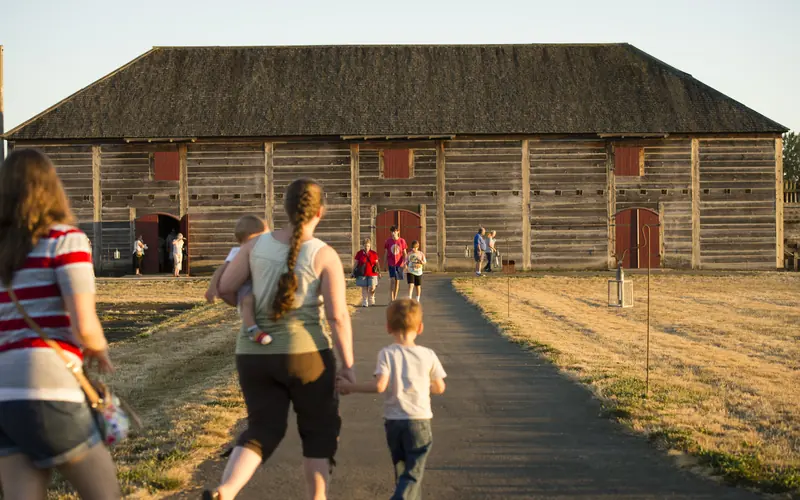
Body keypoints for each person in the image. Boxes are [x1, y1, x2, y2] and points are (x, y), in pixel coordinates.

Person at [208, 179, 356, 500]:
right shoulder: (324, 254)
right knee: (318, 432)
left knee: (262, 429)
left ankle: (227, 489)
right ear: (321, 212)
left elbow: (225, 288)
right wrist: (348, 364)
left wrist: (249, 307)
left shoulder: (254, 246)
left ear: (285, 209)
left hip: (253, 355)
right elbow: (337, 316)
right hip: (308, 356)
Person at [0, 149, 121, 499]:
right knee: (104, 494)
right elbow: (84, 323)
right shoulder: (65, 240)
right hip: (46, 381)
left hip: (2, 392)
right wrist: (98, 348)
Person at [337, 298, 446, 500]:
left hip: (394, 421)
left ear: (388, 327)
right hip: (419, 421)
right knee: (414, 473)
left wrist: (350, 387)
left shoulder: (387, 354)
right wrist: (423, 385)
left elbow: (379, 385)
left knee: (403, 471)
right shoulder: (428, 354)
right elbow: (440, 387)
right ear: (420, 327)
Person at [205, 215, 272, 345]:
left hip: (258, 288)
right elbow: (221, 270)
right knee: (247, 301)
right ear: (250, 237)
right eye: (263, 237)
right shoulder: (238, 252)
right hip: (245, 290)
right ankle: (253, 329)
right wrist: (212, 288)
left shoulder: (263, 251)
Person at [384, 225, 408, 302]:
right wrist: (385, 264)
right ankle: (391, 298)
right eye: (392, 231)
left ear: (398, 232)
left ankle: (395, 297)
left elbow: (404, 253)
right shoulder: (388, 241)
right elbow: (386, 253)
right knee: (392, 280)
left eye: (395, 231)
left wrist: (406, 263)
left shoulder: (402, 241)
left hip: (399, 264)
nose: (393, 233)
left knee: (397, 281)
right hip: (391, 263)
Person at [354, 238, 380, 307]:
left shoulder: (374, 253)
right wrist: (353, 271)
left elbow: (377, 263)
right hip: (363, 273)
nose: (366, 247)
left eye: (368, 246)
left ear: (370, 246)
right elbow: (356, 263)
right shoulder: (359, 253)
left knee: (372, 287)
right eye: (365, 246)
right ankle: (365, 301)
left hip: (372, 273)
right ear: (363, 246)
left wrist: (379, 272)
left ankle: (372, 298)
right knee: (364, 288)